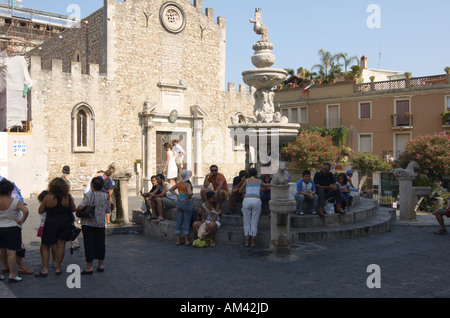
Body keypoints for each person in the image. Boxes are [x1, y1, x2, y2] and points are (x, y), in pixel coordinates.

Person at [36, 177, 76, 277]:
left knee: (45, 245)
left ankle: (44, 269)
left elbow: (40, 210)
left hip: (51, 223)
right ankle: (58, 268)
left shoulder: (48, 197)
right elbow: (73, 209)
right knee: (61, 245)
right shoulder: (68, 197)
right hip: (64, 223)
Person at [76, 176, 109, 274]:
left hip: (88, 223)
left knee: (89, 244)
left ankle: (89, 266)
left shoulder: (89, 195)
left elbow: (81, 206)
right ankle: (101, 264)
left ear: (92, 185)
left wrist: (78, 212)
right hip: (100, 223)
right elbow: (109, 208)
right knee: (100, 243)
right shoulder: (105, 195)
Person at [0, 179, 29, 283]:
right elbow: (25, 210)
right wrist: (22, 220)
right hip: (12, 228)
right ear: (10, 191)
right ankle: (12, 275)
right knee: (11, 253)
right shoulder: (15, 201)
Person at [239, 168, 270, 247]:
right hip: (256, 200)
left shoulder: (246, 181)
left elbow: (240, 190)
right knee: (254, 222)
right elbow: (266, 185)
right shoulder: (259, 181)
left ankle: (246, 241)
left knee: (246, 221)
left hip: (247, 200)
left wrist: (246, 191)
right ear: (256, 174)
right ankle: (253, 242)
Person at [169, 170, 194, 246]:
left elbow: (171, 189)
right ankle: (186, 240)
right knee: (186, 221)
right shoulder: (187, 184)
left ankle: (178, 240)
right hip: (186, 203)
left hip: (179, 203)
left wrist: (177, 195)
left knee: (179, 222)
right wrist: (189, 196)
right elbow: (189, 193)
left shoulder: (179, 183)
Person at [37, 190, 57, 268]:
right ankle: (55, 261)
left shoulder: (41, 206)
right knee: (54, 244)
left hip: (42, 226)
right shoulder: (51, 205)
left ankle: (44, 261)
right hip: (52, 225)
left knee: (43, 245)